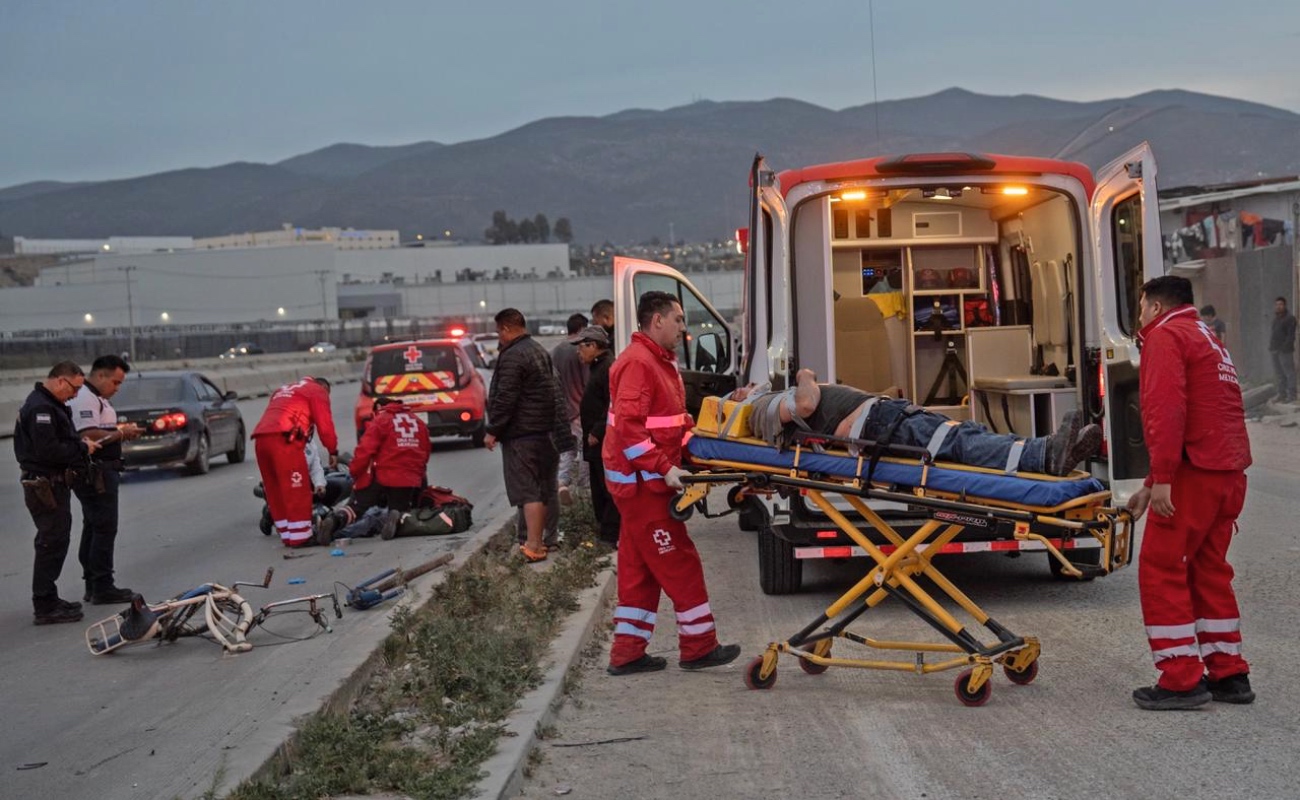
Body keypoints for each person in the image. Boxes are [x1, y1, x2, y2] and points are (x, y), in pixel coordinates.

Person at [1125, 276, 1255, 710]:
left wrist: (1162, 477)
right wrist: (1150, 483)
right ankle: (1229, 672)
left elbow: (1167, 408)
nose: (1141, 317)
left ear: (1156, 307)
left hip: (1193, 475)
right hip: (1228, 473)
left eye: (1142, 308)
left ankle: (1180, 678)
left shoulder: (1165, 336)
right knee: (1208, 570)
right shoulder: (1207, 337)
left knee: (1162, 568)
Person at [603, 290, 740, 675]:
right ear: (656, 320)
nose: (684, 327)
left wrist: (697, 453)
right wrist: (665, 469)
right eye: (678, 319)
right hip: (644, 487)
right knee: (680, 563)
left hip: (641, 486)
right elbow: (630, 430)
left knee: (638, 572)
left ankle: (627, 653)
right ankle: (699, 646)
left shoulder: (658, 363)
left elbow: (671, 424)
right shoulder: (640, 364)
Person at [733, 369, 1101, 477]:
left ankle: (1045, 452)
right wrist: (805, 374)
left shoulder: (762, 404)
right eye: (742, 388)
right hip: (877, 424)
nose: (748, 385)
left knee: (962, 436)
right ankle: (1044, 456)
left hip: (882, 418)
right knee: (960, 443)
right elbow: (807, 404)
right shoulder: (759, 407)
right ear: (738, 401)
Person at [15, 361, 101, 625]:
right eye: (74, 388)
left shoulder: (50, 404)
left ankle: (49, 597)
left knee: (56, 539)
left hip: (53, 484)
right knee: (51, 542)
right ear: (61, 381)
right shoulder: (41, 407)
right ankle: (44, 604)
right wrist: (82, 450)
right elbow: (48, 451)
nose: (76, 394)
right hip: (45, 485)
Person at [485, 308, 572, 562]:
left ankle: (533, 545)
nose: (498, 338)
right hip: (546, 432)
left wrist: (493, 431)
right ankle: (547, 541)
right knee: (545, 489)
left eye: (498, 332)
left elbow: (506, 398)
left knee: (528, 492)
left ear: (506, 329)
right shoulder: (538, 350)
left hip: (523, 435)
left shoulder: (513, 355)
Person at [69, 354, 144, 605]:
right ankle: (102, 585)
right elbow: (88, 433)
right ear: (100, 375)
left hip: (104, 470)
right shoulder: (84, 398)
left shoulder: (97, 398)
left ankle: (94, 583)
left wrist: (119, 433)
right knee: (103, 526)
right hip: (95, 472)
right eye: (115, 382)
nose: (117, 388)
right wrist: (120, 433)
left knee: (94, 526)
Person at [318, 397, 430, 544]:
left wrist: (355, 471)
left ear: (380, 407)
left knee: (356, 507)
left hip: (379, 474)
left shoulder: (382, 420)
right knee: (399, 508)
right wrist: (417, 475)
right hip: (406, 477)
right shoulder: (418, 423)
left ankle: (335, 521)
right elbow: (425, 452)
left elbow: (365, 450)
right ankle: (395, 518)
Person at [252, 376, 339, 547]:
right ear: (324, 388)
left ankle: (287, 534)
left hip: (262, 440)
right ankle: (300, 537)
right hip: (285, 441)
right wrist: (332, 450)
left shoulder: (284, 389)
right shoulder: (317, 391)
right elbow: (325, 424)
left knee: (276, 490)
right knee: (296, 490)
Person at [575, 324, 621, 546]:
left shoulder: (608, 368)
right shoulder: (597, 367)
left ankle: (611, 534)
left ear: (593, 346)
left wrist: (598, 429)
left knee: (608, 488)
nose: (578, 352)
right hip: (594, 441)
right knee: (598, 489)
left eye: (581, 347)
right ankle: (604, 531)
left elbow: (614, 403)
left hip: (602, 440)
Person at [554, 312, 591, 505]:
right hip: (581, 406)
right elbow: (588, 381)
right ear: (582, 328)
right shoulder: (582, 348)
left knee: (567, 449)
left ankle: (562, 482)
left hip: (562, 408)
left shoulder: (557, 350)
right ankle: (585, 486)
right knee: (584, 448)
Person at [1269, 296, 1296, 403]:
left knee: (1289, 373)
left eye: (1280, 304)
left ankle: (1292, 395)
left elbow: (1291, 336)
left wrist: (1284, 348)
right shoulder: (1276, 319)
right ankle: (1281, 394)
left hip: (1285, 351)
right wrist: (1271, 347)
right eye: (1277, 305)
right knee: (1279, 373)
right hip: (1274, 350)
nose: (1278, 307)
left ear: (1285, 306)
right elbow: (1273, 334)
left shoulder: (1290, 319)